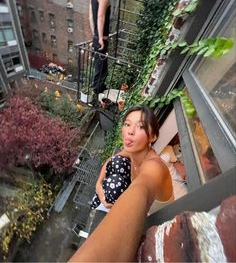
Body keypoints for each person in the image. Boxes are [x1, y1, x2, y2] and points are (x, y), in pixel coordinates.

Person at [68, 105, 173, 262]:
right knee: (117, 162)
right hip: (139, 216)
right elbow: (110, 161)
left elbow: (140, 190)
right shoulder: (133, 151)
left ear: (152, 137)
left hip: (158, 230)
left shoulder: (154, 167)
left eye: (141, 127)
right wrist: (98, 185)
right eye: (127, 124)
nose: (130, 131)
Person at [89, 0, 111, 94]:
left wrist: (95, 35)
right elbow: (100, 16)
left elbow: (90, 17)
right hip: (102, 38)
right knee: (102, 69)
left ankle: (97, 91)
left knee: (99, 67)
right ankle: (97, 94)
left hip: (97, 37)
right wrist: (101, 38)